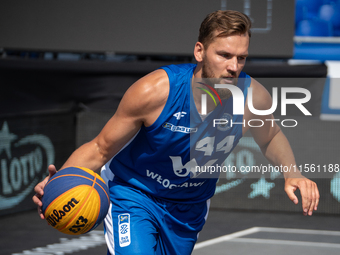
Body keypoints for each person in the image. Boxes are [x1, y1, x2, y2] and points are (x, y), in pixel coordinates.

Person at [33, 10, 319, 255]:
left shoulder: (252, 98)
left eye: (241, 58)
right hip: (134, 193)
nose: (234, 67)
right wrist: (60, 184)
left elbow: (269, 135)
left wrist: (292, 172)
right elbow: (100, 149)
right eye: (224, 55)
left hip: (188, 207)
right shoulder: (155, 91)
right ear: (199, 51)